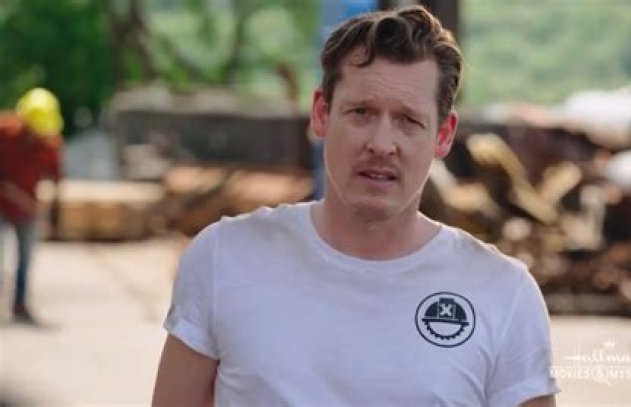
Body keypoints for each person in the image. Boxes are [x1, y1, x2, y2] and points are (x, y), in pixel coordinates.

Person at [153, 6, 558, 406]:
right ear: (321, 114)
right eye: (361, 112)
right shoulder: (225, 258)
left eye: (408, 120)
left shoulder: (503, 294)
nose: (381, 144)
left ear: (443, 135)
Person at [0, 87, 63, 324]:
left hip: (26, 209)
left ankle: (20, 305)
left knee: (25, 257)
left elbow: (56, 181)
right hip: (1, 204)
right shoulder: (4, 133)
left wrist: (53, 215)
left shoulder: (50, 144)